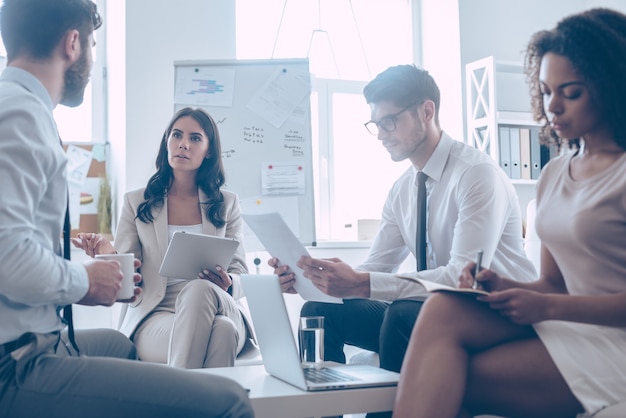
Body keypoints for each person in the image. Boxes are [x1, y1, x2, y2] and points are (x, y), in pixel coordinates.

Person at [0, 0, 253, 416]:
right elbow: (8, 257)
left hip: (45, 335)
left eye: (194, 139)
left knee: (207, 328)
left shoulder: (26, 111)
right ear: (73, 44)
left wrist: (92, 276)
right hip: (19, 359)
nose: (183, 145)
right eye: (94, 45)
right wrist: (84, 278)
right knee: (230, 404)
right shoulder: (22, 115)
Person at [393, 8, 626, 418]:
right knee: (443, 307)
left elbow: (557, 301)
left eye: (570, 93)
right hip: (571, 323)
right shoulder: (555, 172)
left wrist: (549, 309)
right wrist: (499, 284)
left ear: (611, 86)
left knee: (449, 375)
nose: (553, 106)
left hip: (614, 341)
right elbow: (553, 284)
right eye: (546, 91)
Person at [270, 64, 537, 374]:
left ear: (426, 111)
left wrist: (361, 282)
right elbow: (376, 268)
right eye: (376, 124)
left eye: (390, 122)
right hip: (435, 309)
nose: (381, 135)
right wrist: (316, 280)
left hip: (493, 312)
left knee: (402, 313)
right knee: (318, 310)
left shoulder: (476, 175)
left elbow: (462, 280)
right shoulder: (402, 189)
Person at [73, 107, 254, 369]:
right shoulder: (137, 202)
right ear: (167, 141)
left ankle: (175, 399)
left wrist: (228, 283)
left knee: (202, 289)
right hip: (157, 314)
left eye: (195, 138)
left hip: (219, 304)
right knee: (222, 333)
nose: (183, 144)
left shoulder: (227, 203)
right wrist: (107, 252)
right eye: (177, 135)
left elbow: (241, 273)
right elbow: (127, 284)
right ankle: (207, 407)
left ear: (209, 150)